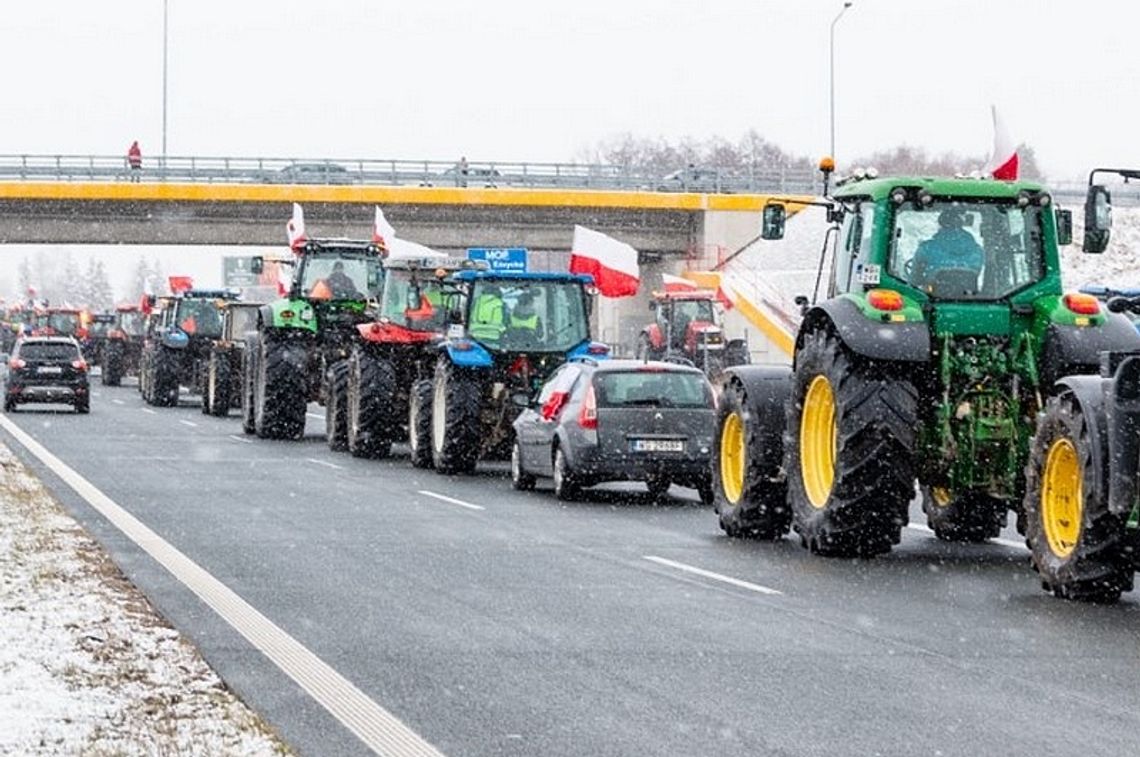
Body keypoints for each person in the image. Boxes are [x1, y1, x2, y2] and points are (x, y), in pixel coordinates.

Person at [910, 206, 984, 289]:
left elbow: (915, 280)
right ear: (960, 224)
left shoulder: (926, 248)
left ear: (941, 224)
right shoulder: (977, 251)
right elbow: (975, 272)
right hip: (968, 297)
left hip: (933, 297)